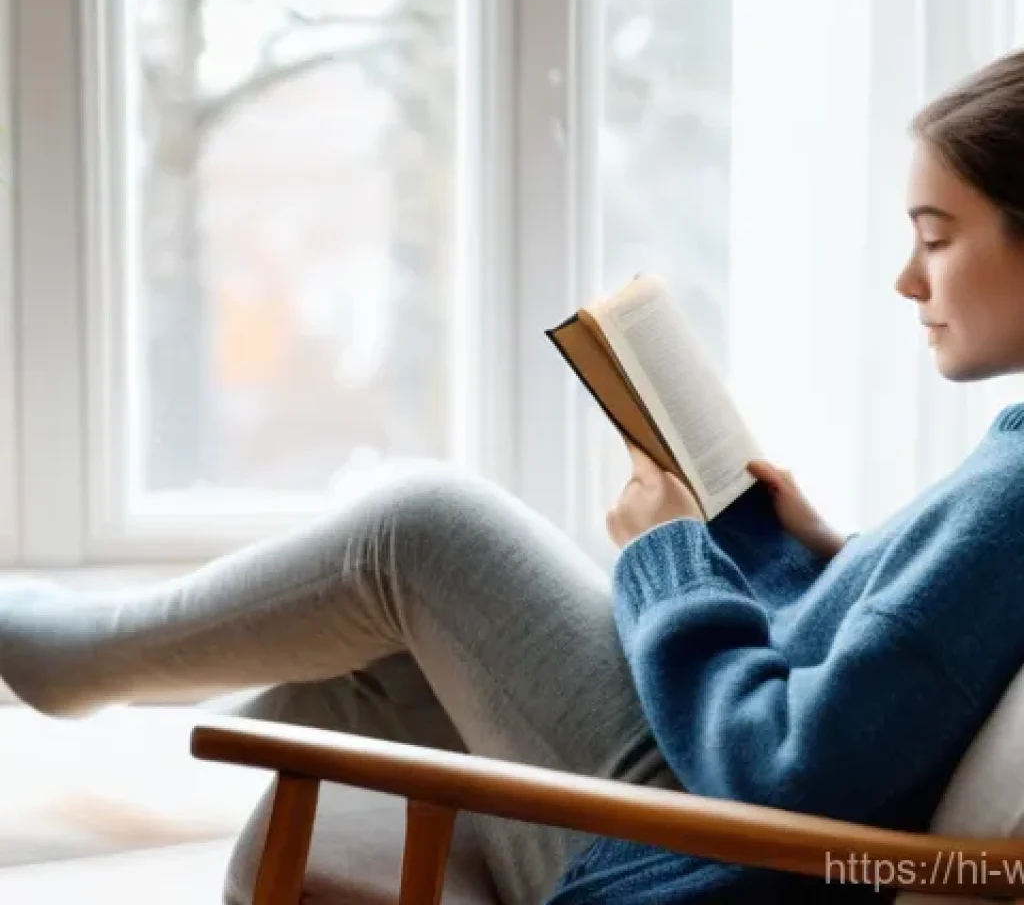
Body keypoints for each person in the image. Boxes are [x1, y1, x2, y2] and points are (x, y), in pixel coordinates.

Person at [5, 50, 1024, 905]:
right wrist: (788, 549)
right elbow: (894, 686)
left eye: (934, 236)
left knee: (419, 531)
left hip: (704, 854)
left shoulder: (1015, 492)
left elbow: (792, 772)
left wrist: (672, 559)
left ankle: (73, 660)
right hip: (711, 823)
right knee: (373, 671)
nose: (906, 278)